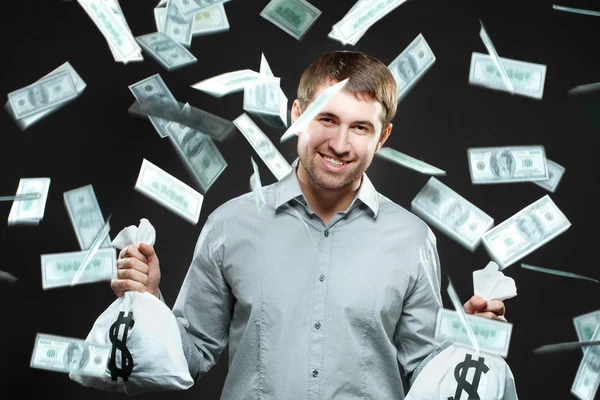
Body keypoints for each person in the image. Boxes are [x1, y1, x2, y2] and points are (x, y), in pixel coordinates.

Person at [111, 50, 507, 399]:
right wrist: (150, 303)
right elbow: (190, 357)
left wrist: (465, 346)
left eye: (360, 127)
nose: (339, 143)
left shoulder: (412, 239)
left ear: (382, 136)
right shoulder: (229, 225)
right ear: (297, 115)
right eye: (327, 118)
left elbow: (423, 369)